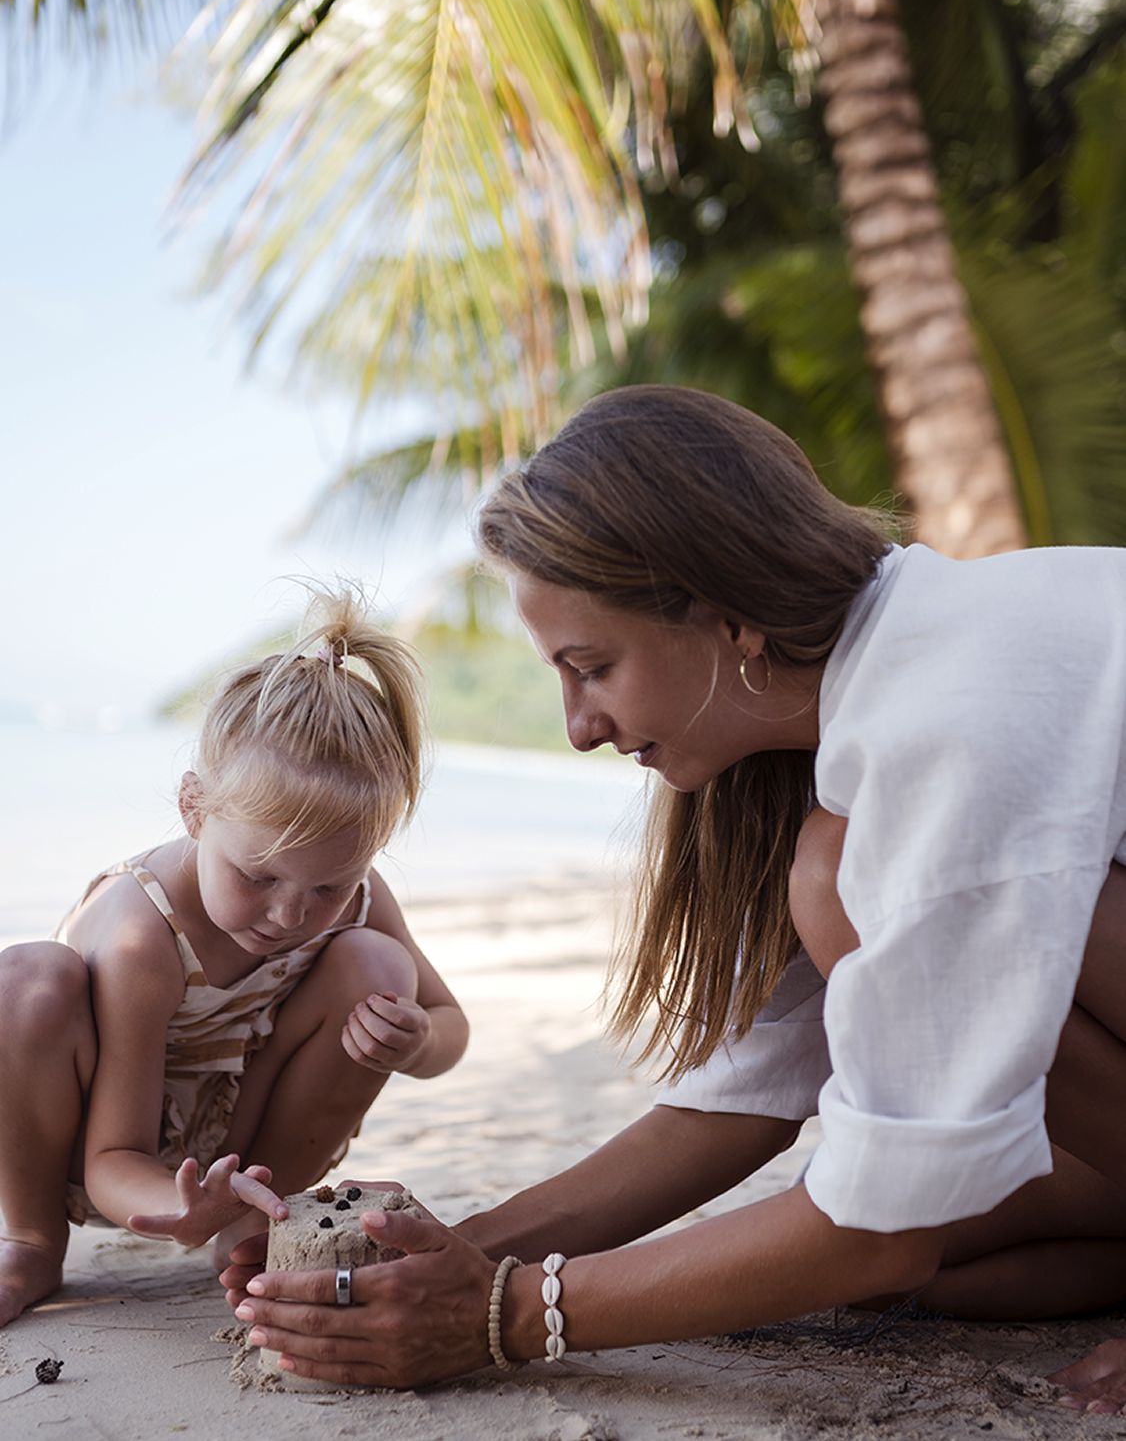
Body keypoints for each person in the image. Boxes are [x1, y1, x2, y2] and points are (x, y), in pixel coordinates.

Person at [225, 387, 1126, 1409]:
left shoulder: (940, 725)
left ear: (720, 613)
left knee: (842, 915)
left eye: (590, 666)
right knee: (940, 1256)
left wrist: (505, 1317)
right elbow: (736, 1104)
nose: (578, 727)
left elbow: (881, 1225)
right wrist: (414, 1261)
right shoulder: (857, 712)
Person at [0, 587, 469, 1328]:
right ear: (194, 809)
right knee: (25, 981)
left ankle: (249, 1229)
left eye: (327, 886)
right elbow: (111, 1155)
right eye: (257, 877)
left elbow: (449, 1028)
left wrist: (418, 1040)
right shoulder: (143, 932)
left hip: (238, 1163)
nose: (290, 914)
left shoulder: (357, 897)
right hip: (84, 1148)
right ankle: (28, 1241)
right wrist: (175, 1205)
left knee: (381, 969)